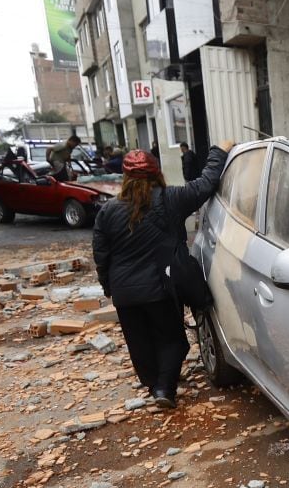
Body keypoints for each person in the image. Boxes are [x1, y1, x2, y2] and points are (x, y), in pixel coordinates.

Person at [92, 141, 233, 408]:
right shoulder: (172, 198)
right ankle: (164, 388)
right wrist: (219, 152)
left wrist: (108, 286)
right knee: (173, 340)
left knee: (139, 343)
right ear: (157, 173)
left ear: (125, 178)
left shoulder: (108, 211)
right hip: (160, 288)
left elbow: (101, 254)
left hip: (125, 293)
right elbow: (206, 183)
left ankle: (154, 384)